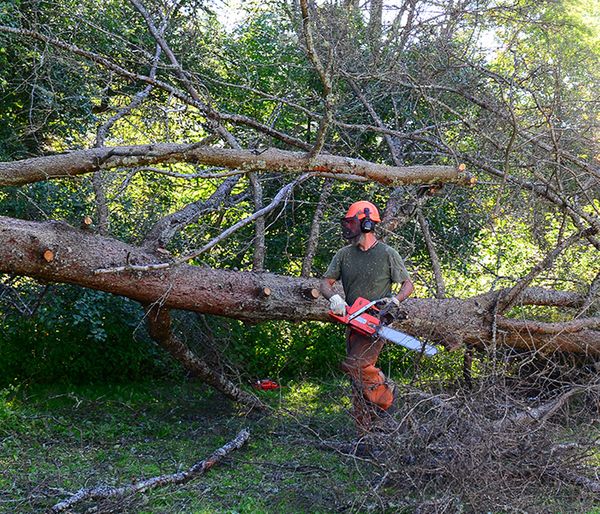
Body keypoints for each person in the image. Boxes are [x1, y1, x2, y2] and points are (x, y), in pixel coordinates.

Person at [321, 200, 414, 432]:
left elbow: (408, 284)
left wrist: (395, 300)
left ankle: (387, 396)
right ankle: (365, 433)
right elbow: (325, 283)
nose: (347, 227)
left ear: (366, 223)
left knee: (356, 365)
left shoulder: (387, 254)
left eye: (352, 222)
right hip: (353, 321)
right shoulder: (344, 255)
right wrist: (334, 298)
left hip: (376, 322)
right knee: (357, 380)